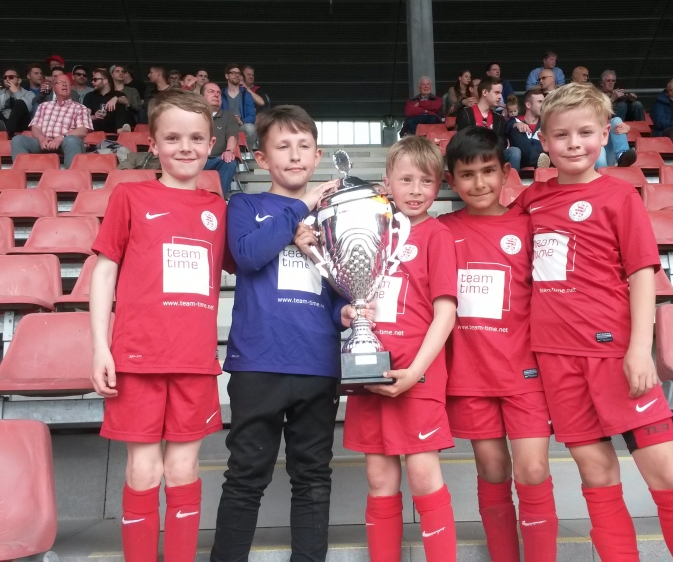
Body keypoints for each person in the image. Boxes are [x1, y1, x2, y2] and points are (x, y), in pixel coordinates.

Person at [523, 82, 673, 562]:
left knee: (667, 473)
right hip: (556, 359)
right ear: (543, 140)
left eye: (585, 132)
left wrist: (639, 350)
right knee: (597, 476)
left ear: (605, 134)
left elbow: (642, 275)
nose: (574, 144)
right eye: (561, 134)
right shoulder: (532, 201)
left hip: (615, 354)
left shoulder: (620, 196)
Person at [89, 88, 231, 562]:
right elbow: (104, 272)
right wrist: (100, 346)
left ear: (211, 143)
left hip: (194, 362)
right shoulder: (130, 196)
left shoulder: (218, 209)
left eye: (195, 138)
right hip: (137, 358)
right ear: (153, 143)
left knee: (184, 470)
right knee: (143, 471)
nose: (185, 147)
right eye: (172, 138)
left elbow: (254, 258)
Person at [211, 105, 357, 562]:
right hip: (259, 364)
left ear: (317, 156)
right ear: (261, 158)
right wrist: (301, 209)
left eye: (303, 146)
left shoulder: (333, 217)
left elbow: (337, 287)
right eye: (283, 146)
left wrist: (344, 312)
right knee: (246, 475)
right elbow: (248, 255)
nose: (294, 155)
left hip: (317, 365)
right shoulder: (246, 206)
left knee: (313, 478)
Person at [439, 126, 558, 562]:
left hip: (524, 372)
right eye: (467, 175)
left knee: (533, 468)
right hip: (470, 376)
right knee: (491, 468)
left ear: (506, 172)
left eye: (488, 171)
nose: (479, 183)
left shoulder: (528, 227)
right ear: (451, 180)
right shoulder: (440, 230)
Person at [341, 135, 458, 562]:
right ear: (386, 181)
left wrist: (416, 372)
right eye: (405, 179)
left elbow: (446, 314)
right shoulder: (371, 232)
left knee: (424, 475)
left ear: (438, 185)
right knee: (378, 478)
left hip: (417, 376)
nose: (415, 190)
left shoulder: (437, 235)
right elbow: (353, 294)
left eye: (426, 181)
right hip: (371, 372)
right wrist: (349, 314)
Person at [10, 75, 91, 169]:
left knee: (71, 140)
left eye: (67, 83)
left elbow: (83, 130)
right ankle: (23, 173)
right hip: (45, 142)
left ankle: (71, 175)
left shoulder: (80, 108)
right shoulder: (43, 106)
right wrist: (41, 139)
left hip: (67, 143)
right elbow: (35, 127)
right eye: (60, 82)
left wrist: (60, 138)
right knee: (17, 140)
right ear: (53, 88)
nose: (64, 84)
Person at [456, 77, 521, 171]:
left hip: (493, 156)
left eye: (501, 93)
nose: (500, 96)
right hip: (473, 156)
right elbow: (464, 141)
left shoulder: (499, 119)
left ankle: (512, 180)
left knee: (514, 152)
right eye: (496, 93)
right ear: (485, 92)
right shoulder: (465, 114)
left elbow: (502, 143)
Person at [202, 82, 239, 196]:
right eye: (211, 92)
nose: (216, 95)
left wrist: (229, 150)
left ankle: (218, 198)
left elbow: (232, 136)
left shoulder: (228, 116)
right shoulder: (193, 115)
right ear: (201, 97)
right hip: (194, 159)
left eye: (218, 93)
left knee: (229, 161)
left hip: (215, 161)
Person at [0, 68, 35, 136]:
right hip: (3, 123)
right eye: (5, 77)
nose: (7, 79)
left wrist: (16, 92)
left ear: (19, 80)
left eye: (11, 77)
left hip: (20, 123)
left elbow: (29, 108)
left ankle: (7, 130)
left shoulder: (29, 94)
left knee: (20, 102)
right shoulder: (0, 93)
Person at [84, 68, 134, 134]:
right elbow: (85, 116)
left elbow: (126, 101)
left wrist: (116, 99)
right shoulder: (89, 96)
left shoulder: (118, 94)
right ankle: (122, 132)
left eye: (95, 80)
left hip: (114, 125)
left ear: (105, 81)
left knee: (121, 106)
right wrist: (94, 117)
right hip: (97, 127)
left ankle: (121, 131)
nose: (92, 82)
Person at [505, 89, 546, 169]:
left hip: (539, 166)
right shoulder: (515, 121)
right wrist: (516, 124)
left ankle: (540, 162)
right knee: (515, 149)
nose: (543, 105)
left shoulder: (545, 124)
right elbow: (507, 127)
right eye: (540, 102)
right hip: (520, 164)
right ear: (528, 105)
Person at [221, 63, 257, 150]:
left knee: (250, 128)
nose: (236, 75)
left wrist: (241, 121)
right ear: (227, 76)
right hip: (225, 126)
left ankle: (246, 153)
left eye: (238, 73)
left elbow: (252, 116)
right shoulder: (221, 94)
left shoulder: (246, 94)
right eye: (233, 73)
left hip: (241, 126)